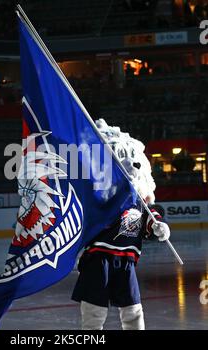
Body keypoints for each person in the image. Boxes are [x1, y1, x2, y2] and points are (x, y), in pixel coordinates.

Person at [71, 119, 170, 330]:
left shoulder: (139, 201)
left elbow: (152, 216)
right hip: (99, 259)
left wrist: (157, 227)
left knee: (133, 309)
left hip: (126, 262)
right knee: (94, 310)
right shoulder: (102, 198)